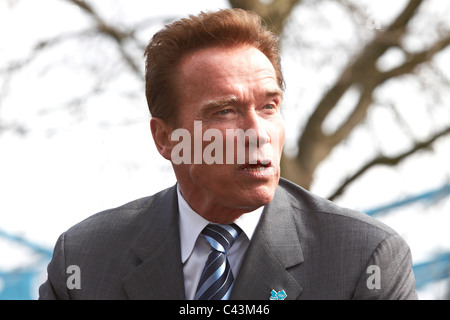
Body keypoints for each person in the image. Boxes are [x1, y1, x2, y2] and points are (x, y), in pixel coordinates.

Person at [38, 8, 417, 300]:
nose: (257, 134)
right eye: (225, 111)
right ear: (166, 138)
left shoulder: (365, 258)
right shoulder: (84, 259)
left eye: (269, 107)